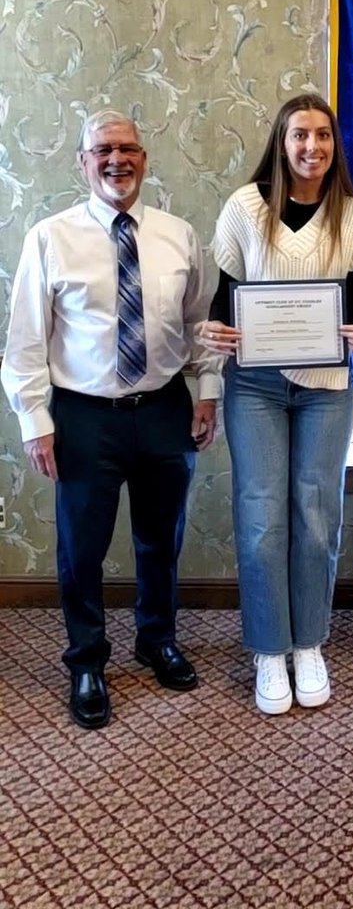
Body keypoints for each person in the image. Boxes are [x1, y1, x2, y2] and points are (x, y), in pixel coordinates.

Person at [1, 111, 220, 729]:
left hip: (162, 409)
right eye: (102, 150)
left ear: (144, 159)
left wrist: (207, 392)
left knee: (160, 539)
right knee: (82, 550)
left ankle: (156, 640)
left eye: (127, 148)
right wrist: (35, 420)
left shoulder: (179, 235)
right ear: (82, 162)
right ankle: (87, 660)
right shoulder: (50, 237)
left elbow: (201, 323)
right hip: (82, 416)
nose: (115, 160)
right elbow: (24, 341)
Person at [202, 93, 353, 716]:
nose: (311, 147)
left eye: (323, 136)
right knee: (261, 516)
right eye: (300, 135)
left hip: (326, 390)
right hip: (255, 388)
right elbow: (222, 305)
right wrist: (214, 333)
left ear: (335, 145)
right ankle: (269, 649)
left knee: (316, 513)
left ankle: (310, 643)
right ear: (281, 142)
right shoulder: (244, 209)